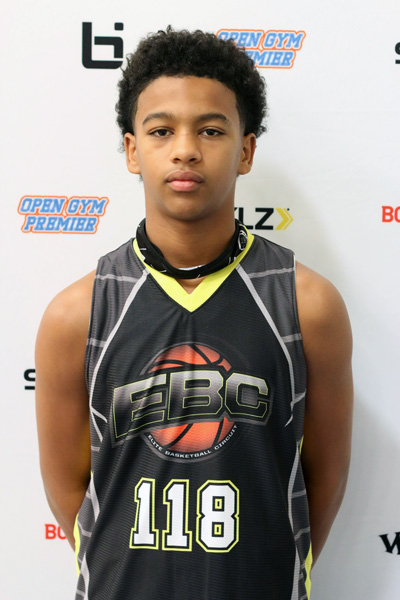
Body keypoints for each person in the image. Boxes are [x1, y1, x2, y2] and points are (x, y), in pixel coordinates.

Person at [35, 27, 353, 600]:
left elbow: (324, 476)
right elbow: (69, 489)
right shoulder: (77, 314)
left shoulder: (307, 304)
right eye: (161, 130)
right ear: (133, 150)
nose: (185, 149)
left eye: (210, 129)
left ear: (246, 151)